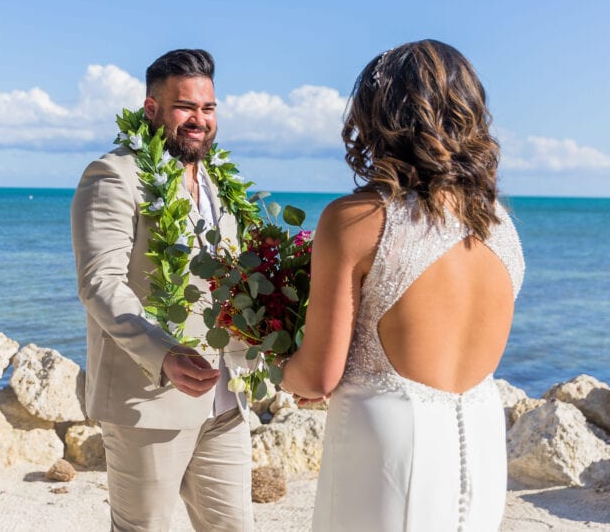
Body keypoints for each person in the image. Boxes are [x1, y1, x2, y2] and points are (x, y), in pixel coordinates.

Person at [280, 40, 525, 531]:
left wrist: (281, 368)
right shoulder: (501, 226)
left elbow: (318, 378)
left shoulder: (357, 220)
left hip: (388, 446)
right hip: (480, 436)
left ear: (378, 116)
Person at [71, 48, 255, 531]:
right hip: (148, 401)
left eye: (208, 108)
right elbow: (100, 284)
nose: (199, 119)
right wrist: (165, 354)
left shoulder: (218, 183)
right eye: (185, 107)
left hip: (226, 399)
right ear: (151, 109)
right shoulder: (114, 175)